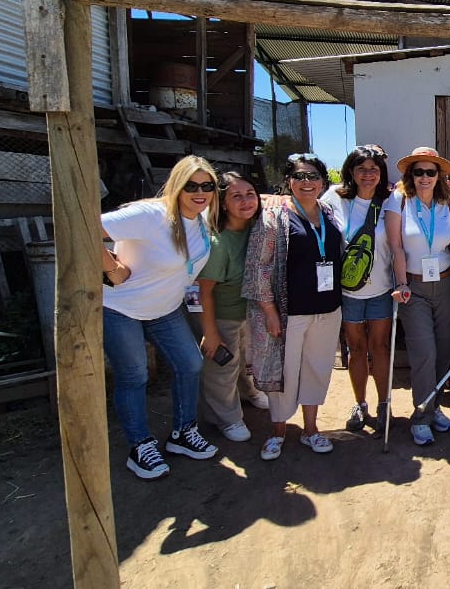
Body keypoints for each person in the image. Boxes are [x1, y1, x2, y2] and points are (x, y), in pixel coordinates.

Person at [100, 155, 221, 480]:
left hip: (163, 309)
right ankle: (140, 446)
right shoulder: (150, 215)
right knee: (134, 375)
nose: (200, 192)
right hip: (121, 308)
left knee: (190, 364)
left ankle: (183, 433)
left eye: (207, 186)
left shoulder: (202, 217)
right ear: (177, 185)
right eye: (191, 185)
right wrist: (112, 268)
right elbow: (84, 226)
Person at [244, 155, 343, 460]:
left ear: (323, 182)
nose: (306, 183)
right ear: (288, 181)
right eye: (299, 177)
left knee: (317, 368)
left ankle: (311, 429)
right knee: (284, 373)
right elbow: (258, 267)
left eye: (313, 177)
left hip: (328, 308)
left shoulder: (327, 212)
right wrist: (270, 312)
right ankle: (278, 431)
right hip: (290, 312)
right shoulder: (274, 217)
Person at [386, 147, 450, 446]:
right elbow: (396, 247)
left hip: (445, 284)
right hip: (414, 288)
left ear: (438, 176)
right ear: (410, 175)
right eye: (418, 172)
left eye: (430, 172)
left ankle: (433, 409)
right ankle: (420, 415)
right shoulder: (398, 200)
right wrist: (401, 282)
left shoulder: (446, 203)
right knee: (425, 353)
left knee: (445, 350)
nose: (424, 177)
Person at [323, 146, 394, 435]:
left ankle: (383, 403)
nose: (368, 175)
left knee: (380, 348)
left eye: (374, 169)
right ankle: (360, 403)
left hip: (382, 288)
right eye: (362, 169)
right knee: (355, 349)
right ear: (350, 171)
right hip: (349, 291)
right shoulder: (333, 198)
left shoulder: (390, 201)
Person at [196, 171, 266, 445]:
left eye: (250, 194)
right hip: (222, 314)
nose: (246, 201)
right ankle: (227, 417)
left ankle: (249, 394)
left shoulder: (254, 228)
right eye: (236, 196)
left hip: (246, 312)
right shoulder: (218, 243)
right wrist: (210, 333)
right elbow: (204, 293)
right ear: (223, 203)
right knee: (221, 370)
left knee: (244, 361)